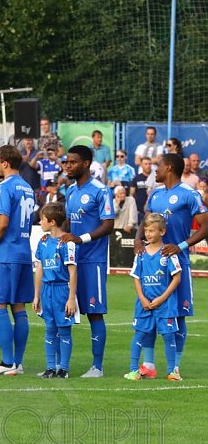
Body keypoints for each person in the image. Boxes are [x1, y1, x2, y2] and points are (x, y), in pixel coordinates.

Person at [137, 153, 208, 379]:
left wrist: (181, 245)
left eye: (158, 166)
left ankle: (174, 367)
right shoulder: (156, 193)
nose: (155, 170)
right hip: (151, 264)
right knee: (148, 312)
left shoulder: (189, 194)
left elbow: (206, 225)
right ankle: (148, 365)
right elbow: (145, 221)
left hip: (178, 264)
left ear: (168, 168)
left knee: (178, 315)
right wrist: (139, 239)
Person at [59, 145, 115, 378]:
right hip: (72, 260)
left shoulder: (101, 191)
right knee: (60, 311)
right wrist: (55, 237)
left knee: (94, 312)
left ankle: (97, 366)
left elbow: (108, 224)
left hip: (93, 260)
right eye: (66, 162)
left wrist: (80, 239)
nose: (67, 166)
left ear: (86, 164)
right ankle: (59, 365)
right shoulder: (70, 192)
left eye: (72, 162)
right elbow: (68, 224)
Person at [0, 144, 35, 376]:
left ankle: (6, 362)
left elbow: (2, 222)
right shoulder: (28, 187)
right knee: (19, 307)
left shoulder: (4, 187)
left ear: (4, 162)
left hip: (5, 254)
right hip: (23, 252)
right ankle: (17, 363)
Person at [126, 213, 181, 381]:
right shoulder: (141, 253)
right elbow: (136, 277)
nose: (148, 234)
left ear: (162, 232)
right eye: (146, 230)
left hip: (165, 304)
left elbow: (177, 278)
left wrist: (162, 298)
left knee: (168, 335)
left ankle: (172, 371)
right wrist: (142, 298)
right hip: (144, 304)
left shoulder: (168, 253)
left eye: (152, 231)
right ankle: (134, 370)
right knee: (139, 335)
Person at [32, 202, 78, 379]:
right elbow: (39, 269)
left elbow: (73, 272)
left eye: (42, 219)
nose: (39, 222)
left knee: (64, 329)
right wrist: (36, 295)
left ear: (52, 222)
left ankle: (63, 369)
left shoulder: (67, 242)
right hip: (47, 291)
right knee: (50, 328)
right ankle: (50, 367)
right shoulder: (43, 242)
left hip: (62, 290)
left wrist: (71, 298)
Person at [131, 156, 155, 223]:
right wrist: (135, 208)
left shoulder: (156, 178)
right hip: (140, 210)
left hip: (153, 210)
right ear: (141, 165)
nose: (148, 166)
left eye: (149, 164)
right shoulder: (137, 178)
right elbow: (131, 193)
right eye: (146, 164)